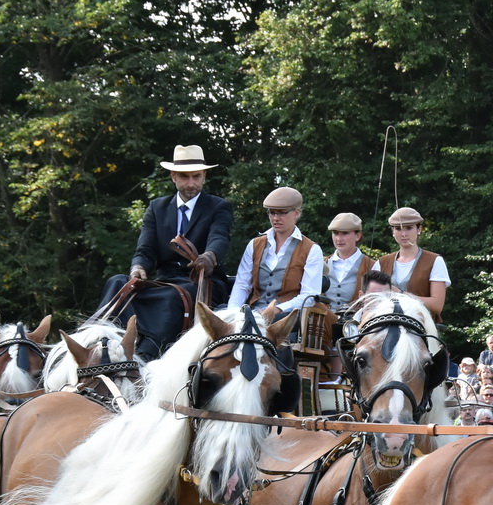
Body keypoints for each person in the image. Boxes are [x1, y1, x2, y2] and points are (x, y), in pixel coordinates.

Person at [100, 145, 234, 360]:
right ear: (173, 177)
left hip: (202, 282)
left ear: (204, 176)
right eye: (184, 176)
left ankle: (148, 354)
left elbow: (219, 238)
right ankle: (103, 343)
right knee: (117, 282)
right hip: (166, 281)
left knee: (172, 297)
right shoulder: (157, 207)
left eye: (196, 176)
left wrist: (209, 257)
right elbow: (145, 248)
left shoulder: (218, 206)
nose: (191, 183)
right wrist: (138, 268)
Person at [224, 187, 324, 321]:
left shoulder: (311, 249)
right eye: (272, 213)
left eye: (282, 213)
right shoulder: (254, 245)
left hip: (286, 316)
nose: (276, 218)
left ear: (296, 213)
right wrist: (233, 312)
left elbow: (309, 296)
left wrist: (277, 309)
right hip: (253, 311)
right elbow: (242, 285)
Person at [376, 207, 449, 319]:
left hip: (421, 326)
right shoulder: (381, 263)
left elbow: (437, 305)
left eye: (409, 228)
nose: (404, 234)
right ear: (393, 232)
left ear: (419, 229)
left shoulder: (435, 261)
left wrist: (400, 294)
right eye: (398, 229)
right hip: (386, 323)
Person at [320, 213, 375, 312]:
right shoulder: (322, 263)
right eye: (335, 233)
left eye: (345, 233)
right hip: (323, 324)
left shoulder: (372, 265)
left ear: (357, 236)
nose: (339, 239)